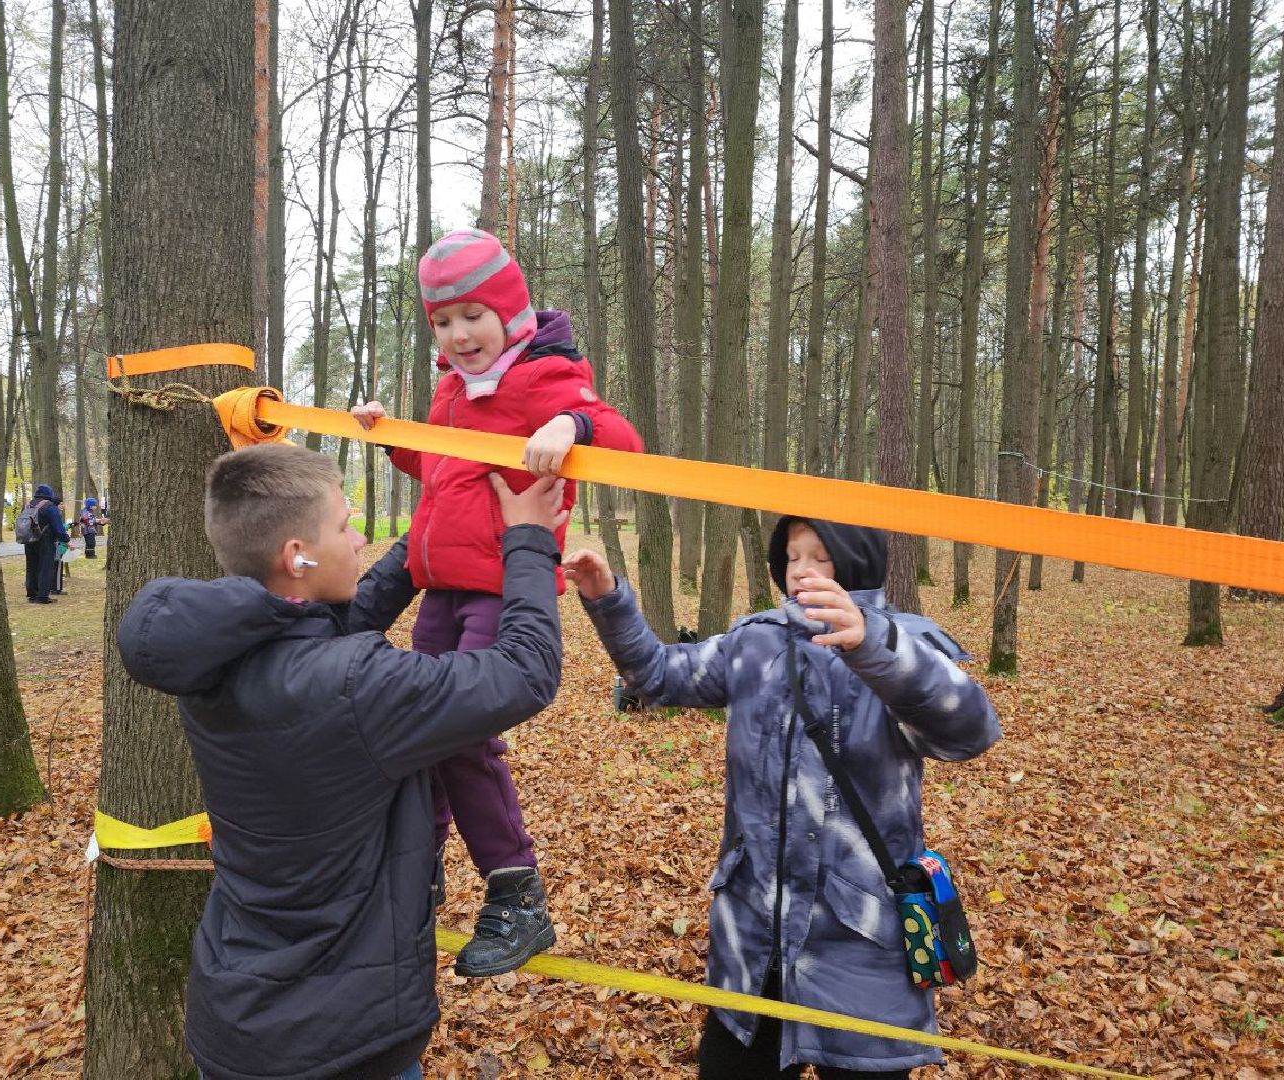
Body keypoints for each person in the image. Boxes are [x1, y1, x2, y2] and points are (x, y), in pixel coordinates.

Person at [117, 442, 569, 1080]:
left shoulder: (215, 662)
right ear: (296, 555)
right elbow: (524, 672)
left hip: (238, 1020)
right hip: (340, 1048)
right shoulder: (357, 687)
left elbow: (331, 622)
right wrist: (526, 539)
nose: (359, 538)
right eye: (344, 525)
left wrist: (433, 533)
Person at [564, 517, 1002, 1079]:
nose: (801, 570)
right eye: (792, 556)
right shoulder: (756, 641)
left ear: (855, 560)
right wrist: (608, 601)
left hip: (860, 937)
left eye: (819, 556)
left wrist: (872, 645)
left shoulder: (905, 646)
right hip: (754, 934)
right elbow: (657, 676)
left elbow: (970, 732)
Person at [350, 226, 643, 977]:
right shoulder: (453, 388)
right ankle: (421, 867)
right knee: (422, 730)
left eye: (472, 315)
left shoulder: (543, 374)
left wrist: (568, 425)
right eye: (442, 322)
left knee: (460, 729)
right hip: (443, 584)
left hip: (503, 588)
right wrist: (391, 439)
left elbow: (623, 440)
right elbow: (444, 471)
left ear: (509, 312)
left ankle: (517, 892)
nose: (458, 334)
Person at [18, 484, 69, 604]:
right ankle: (42, 596)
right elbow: (58, 526)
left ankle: (32, 594)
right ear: (49, 494)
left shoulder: (27, 505)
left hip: (28, 540)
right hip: (45, 541)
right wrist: (66, 539)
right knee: (45, 567)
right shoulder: (49, 506)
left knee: (31, 567)